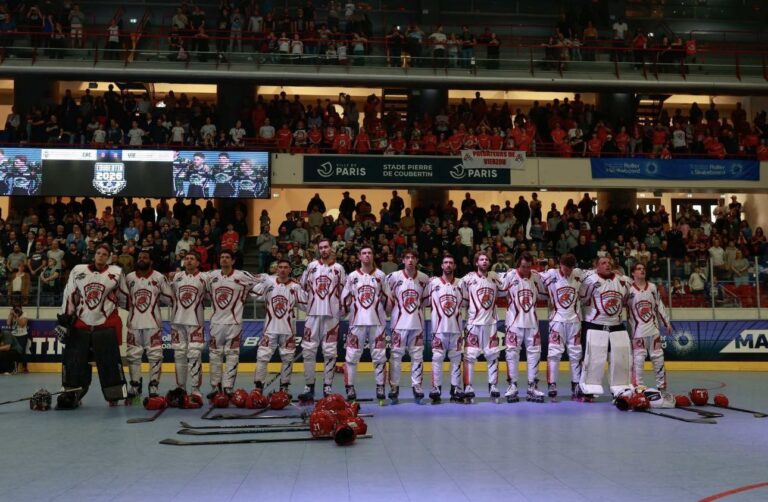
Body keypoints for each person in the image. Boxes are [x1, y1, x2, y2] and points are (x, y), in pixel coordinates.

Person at [55, 244, 128, 409]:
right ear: (94, 255)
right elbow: (70, 295)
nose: (101, 256)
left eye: (104, 254)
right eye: (98, 253)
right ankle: (73, 394)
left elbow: (124, 297)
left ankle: (113, 396)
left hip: (105, 324)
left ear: (108, 257)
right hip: (81, 324)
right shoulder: (78, 270)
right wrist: (65, 320)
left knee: (109, 363)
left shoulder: (116, 273)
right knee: (75, 363)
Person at [204, 249, 260, 398]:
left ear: (233, 261)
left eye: (227, 257)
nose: (224, 260)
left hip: (234, 323)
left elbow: (261, 281)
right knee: (214, 355)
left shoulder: (242, 275)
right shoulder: (211, 276)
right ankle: (215, 387)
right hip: (215, 324)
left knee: (232, 355)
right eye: (222, 257)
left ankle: (228, 388)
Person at [297, 238, 347, 401]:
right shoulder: (311, 266)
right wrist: (307, 307)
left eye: (326, 247)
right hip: (312, 316)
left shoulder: (339, 269)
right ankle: (309, 386)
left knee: (330, 352)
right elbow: (301, 288)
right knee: (308, 350)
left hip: (331, 316)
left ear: (331, 249)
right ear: (318, 250)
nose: (324, 250)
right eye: (321, 248)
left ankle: (327, 386)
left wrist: (341, 312)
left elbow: (345, 293)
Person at [121, 251, 173, 402]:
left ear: (151, 261)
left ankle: (153, 386)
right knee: (133, 356)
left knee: (155, 355)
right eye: (139, 257)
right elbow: (122, 299)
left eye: (145, 257)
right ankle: (135, 385)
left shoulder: (158, 277)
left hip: (153, 324)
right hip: (133, 324)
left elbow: (169, 298)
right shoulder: (129, 277)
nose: (141, 259)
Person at [578, 256, 632, 401]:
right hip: (594, 324)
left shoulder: (623, 281)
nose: (607, 265)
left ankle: (620, 388)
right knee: (593, 359)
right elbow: (582, 299)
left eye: (609, 263)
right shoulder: (590, 280)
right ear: (597, 266)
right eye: (603, 263)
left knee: (620, 358)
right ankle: (588, 388)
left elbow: (627, 300)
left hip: (616, 325)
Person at [251, 259, 307, 395]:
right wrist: (262, 281)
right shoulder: (269, 281)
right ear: (277, 269)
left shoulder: (295, 286)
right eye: (280, 267)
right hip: (269, 328)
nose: (282, 270)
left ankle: (284, 387)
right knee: (262, 357)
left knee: (288, 359)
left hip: (288, 330)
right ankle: (258, 386)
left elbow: (306, 304)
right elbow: (254, 294)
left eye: (285, 267)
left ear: (290, 270)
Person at [342, 245, 390, 402]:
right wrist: (344, 311)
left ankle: (380, 387)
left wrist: (389, 313)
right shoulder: (352, 276)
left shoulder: (381, 275)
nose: (367, 255)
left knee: (379, 356)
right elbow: (345, 298)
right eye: (364, 253)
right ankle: (349, 387)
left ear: (373, 256)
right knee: (352, 355)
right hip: (357, 322)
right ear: (359, 257)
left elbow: (387, 298)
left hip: (377, 322)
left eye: (369, 252)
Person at [500, 252, 547, 403]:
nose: (525, 270)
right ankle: (512, 385)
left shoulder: (536, 276)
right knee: (512, 354)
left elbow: (546, 290)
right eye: (523, 267)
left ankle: (532, 386)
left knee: (534, 354)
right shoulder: (509, 276)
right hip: (514, 324)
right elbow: (493, 282)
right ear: (517, 265)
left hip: (532, 323)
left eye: (528, 267)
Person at [385, 249, 430, 403]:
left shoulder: (424, 278)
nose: (410, 260)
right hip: (398, 324)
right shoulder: (393, 277)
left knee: (417, 356)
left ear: (417, 260)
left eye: (413, 257)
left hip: (417, 324)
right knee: (395, 356)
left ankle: (417, 385)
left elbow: (425, 301)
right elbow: (387, 299)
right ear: (402, 260)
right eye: (407, 258)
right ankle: (394, 386)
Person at [459, 251, 502, 403]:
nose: (484, 261)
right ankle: (468, 386)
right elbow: (458, 293)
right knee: (469, 356)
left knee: (493, 355)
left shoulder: (495, 277)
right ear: (476, 262)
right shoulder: (468, 278)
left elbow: (508, 286)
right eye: (481, 259)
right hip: (473, 324)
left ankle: (493, 386)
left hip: (491, 324)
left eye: (486, 259)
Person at [540, 253, 583, 400]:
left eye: (571, 267)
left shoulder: (578, 274)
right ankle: (552, 384)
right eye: (566, 267)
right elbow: (533, 276)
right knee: (554, 353)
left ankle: (576, 383)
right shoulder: (550, 274)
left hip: (575, 322)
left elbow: (595, 274)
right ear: (560, 264)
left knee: (576, 353)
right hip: (556, 321)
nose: (568, 270)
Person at [169, 251, 208, 401]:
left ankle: (196, 389)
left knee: (194, 355)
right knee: (179, 355)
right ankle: (181, 388)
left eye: (192, 259)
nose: (189, 261)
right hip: (177, 321)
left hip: (196, 322)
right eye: (187, 259)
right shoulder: (177, 277)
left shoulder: (205, 278)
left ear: (198, 262)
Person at [627, 263, 671, 390]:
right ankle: (638, 386)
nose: (642, 270)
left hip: (653, 330)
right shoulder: (629, 290)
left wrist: (666, 323)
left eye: (643, 268)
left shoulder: (652, 287)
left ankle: (662, 387)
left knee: (658, 358)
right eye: (639, 269)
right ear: (633, 273)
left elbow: (659, 305)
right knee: (638, 360)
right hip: (637, 332)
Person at [428, 254, 465, 403]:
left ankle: (455, 388)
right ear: (442, 266)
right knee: (437, 358)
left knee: (456, 360)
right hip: (438, 329)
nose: (448, 265)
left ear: (454, 266)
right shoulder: (433, 283)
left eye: (451, 262)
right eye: (445, 263)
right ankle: (436, 387)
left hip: (456, 329)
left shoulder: (462, 283)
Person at [7, 305, 28, 373]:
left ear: (21, 309)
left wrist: (16, 316)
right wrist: (10, 314)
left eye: (18, 309)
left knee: (22, 351)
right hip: (14, 335)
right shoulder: (12, 314)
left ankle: (25, 367)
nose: (17, 310)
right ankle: (14, 367)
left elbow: (22, 324)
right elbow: (8, 323)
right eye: (15, 309)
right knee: (13, 352)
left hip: (22, 335)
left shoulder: (24, 314)